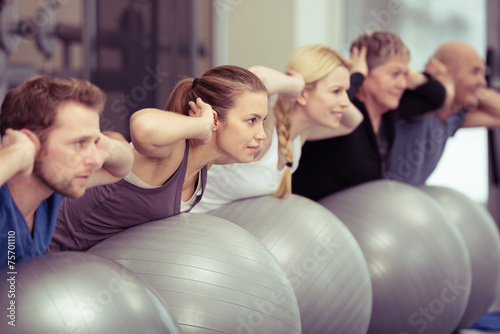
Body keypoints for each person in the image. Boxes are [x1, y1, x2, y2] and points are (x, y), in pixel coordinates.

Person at [47, 65, 269, 252]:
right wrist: (200, 125)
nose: (262, 133)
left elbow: (263, 79)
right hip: (46, 248)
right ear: (214, 118)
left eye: (262, 121)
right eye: (252, 120)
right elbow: (141, 126)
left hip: (86, 264)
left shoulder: (208, 159)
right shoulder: (175, 149)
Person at [191, 44, 363, 213]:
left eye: (345, 92)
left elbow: (353, 121)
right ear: (303, 94)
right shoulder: (265, 124)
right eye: (336, 91)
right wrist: (297, 84)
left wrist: (354, 77)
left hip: (222, 229)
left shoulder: (299, 135)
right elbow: (255, 79)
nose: (346, 102)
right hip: (187, 225)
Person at [292, 30, 449, 200]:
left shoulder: (391, 110)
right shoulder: (340, 112)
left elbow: (437, 97)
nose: (402, 84)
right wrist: (356, 75)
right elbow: (335, 100)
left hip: (356, 217)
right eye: (395, 74)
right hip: (314, 214)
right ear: (366, 73)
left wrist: (417, 77)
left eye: (405, 74)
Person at [0, 75, 134, 266]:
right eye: (79, 143)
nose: (95, 161)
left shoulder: (50, 188)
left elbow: (119, 169)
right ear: (30, 143)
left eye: (93, 142)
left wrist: (102, 144)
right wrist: (17, 153)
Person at [386, 41, 500, 185]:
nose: (482, 81)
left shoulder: (454, 115)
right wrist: (445, 81)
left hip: (406, 200)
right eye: (475, 72)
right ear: (449, 72)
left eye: (482, 73)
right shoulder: (416, 101)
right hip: (379, 198)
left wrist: (474, 90)